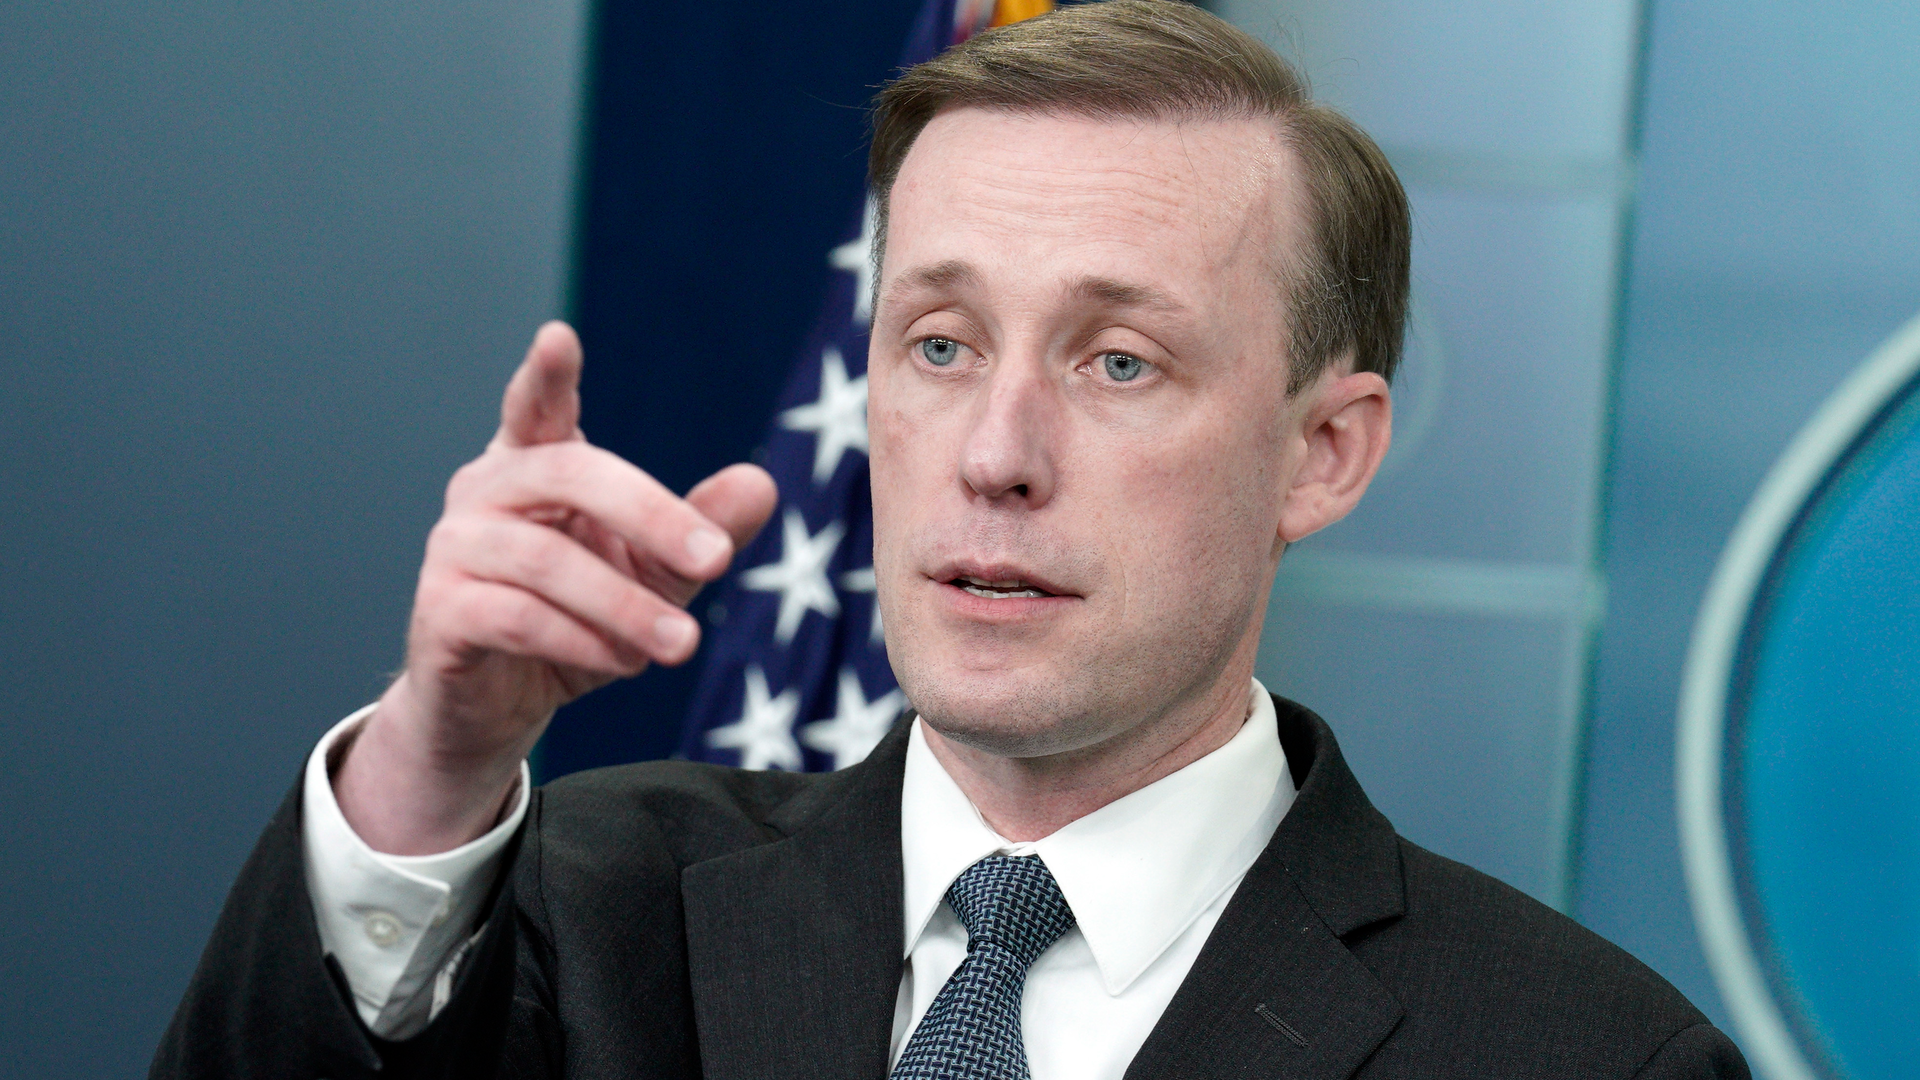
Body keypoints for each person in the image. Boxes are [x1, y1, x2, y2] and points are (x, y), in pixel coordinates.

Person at [153, 3, 1749, 1078]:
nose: (994, 455)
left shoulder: (1586, 1053)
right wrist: (431, 765)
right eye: (939, 344)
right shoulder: (581, 903)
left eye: (1119, 361)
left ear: (1322, 453)